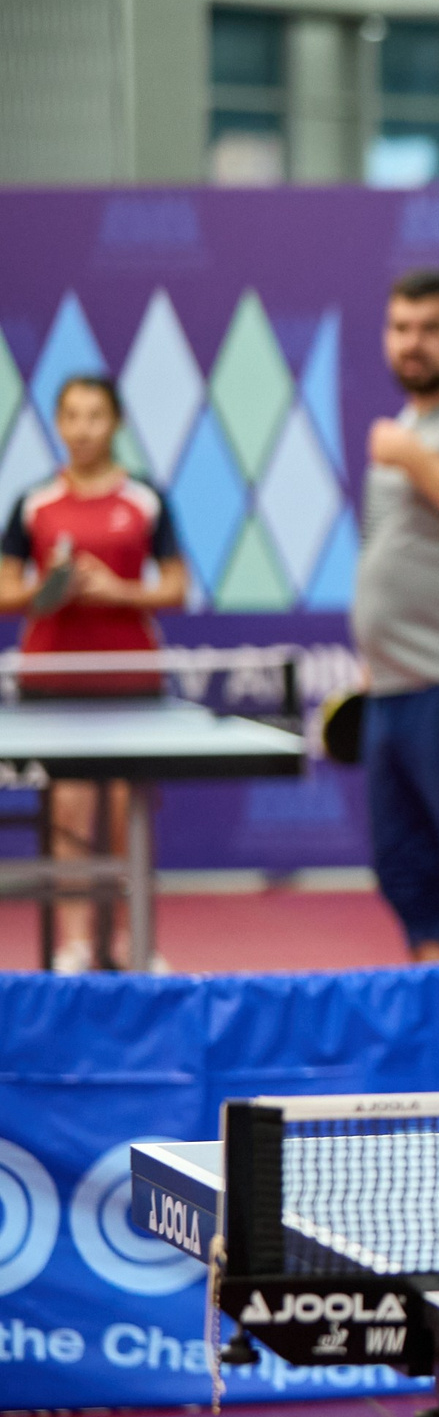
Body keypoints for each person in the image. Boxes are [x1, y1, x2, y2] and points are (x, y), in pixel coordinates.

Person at [0, 374, 188, 973]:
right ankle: (76, 942)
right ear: (57, 424)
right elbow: (6, 589)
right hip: (52, 678)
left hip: (130, 676)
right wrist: (43, 591)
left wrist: (116, 590)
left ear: (115, 424)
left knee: (126, 815)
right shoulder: (33, 504)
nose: (82, 429)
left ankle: (136, 941)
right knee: (69, 811)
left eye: (95, 416)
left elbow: (177, 587)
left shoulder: (145, 500)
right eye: (71, 416)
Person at [353, 267, 439, 961]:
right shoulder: (407, 421)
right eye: (401, 328)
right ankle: (436, 998)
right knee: (401, 868)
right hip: (391, 687)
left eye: (431, 328)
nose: (413, 343)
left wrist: (409, 456)